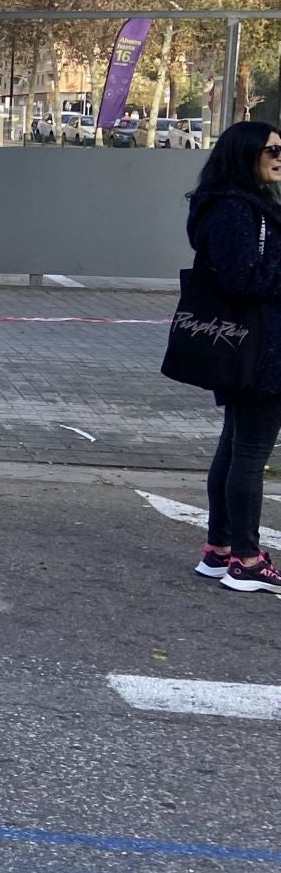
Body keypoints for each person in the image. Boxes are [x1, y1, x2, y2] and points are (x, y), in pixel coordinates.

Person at [185, 120, 281, 593]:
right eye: (271, 150)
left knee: (236, 445)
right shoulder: (236, 211)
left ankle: (220, 549)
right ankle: (246, 558)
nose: (279, 158)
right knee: (250, 453)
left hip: (253, 346)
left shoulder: (243, 206)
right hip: (259, 350)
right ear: (244, 155)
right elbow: (244, 280)